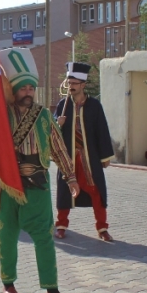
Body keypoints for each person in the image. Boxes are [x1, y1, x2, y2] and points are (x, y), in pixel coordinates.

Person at [0, 48, 79, 293]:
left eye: (31, 87)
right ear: (13, 90)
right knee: (7, 235)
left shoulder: (44, 115)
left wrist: (70, 177)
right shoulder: (1, 115)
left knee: (44, 237)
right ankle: (8, 283)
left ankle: (51, 289)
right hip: (7, 185)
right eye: (23, 88)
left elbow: (59, 147)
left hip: (37, 184)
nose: (28, 91)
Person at [53, 62, 115, 242]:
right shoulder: (63, 105)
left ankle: (102, 228)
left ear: (83, 85)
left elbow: (102, 131)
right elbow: (52, 133)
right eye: (69, 82)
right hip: (69, 158)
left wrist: (105, 156)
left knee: (96, 191)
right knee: (64, 191)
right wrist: (59, 124)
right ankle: (61, 225)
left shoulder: (94, 106)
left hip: (90, 157)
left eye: (74, 83)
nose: (71, 86)